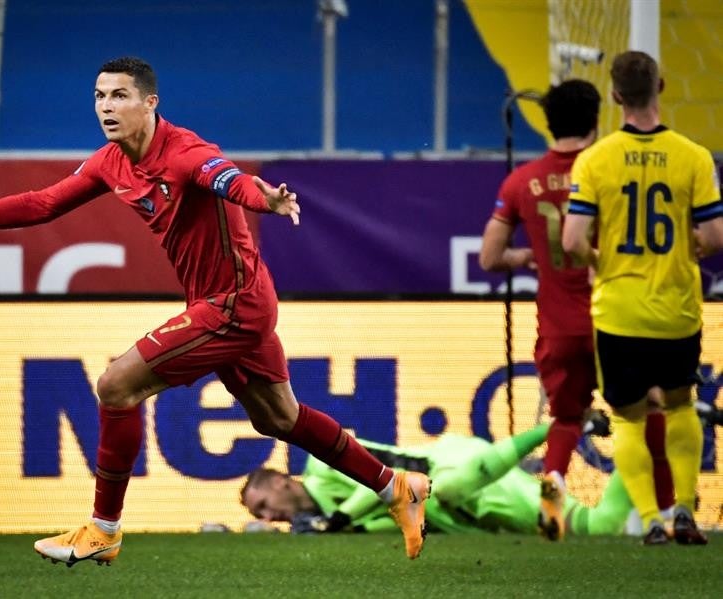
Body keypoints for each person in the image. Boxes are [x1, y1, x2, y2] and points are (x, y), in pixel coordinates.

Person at [0, 56, 431, 565]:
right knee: (279, 418)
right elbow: (44, 203)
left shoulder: (185, 152)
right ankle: (395, 485)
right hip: (226, 301)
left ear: (150, 102)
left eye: (120, 95)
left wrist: (263, 200)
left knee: (115, 385)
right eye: (100, 96)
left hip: (234, 304)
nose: (107, 106)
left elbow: (229, 179)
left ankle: (102, 531)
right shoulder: (110, 162)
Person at [480, 79, 676, 542]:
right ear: (596, 119)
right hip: (617, 319)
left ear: (547, 122)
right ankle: (665, 512)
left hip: (557, 327)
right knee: (647, 412)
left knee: (567, 419)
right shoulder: (612, 168)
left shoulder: (520, 180)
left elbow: (489, 257)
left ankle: (555, 484)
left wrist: (524, 257)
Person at [562, 50, 723, 546]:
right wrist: (684, 251)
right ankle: (684, 510)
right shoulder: (693, 155)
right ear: (663, 86)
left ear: (614, 96)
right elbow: (714, 236)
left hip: (619, 311)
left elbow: (570, 242)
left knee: (629, 417)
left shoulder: (595, 160)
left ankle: (651, 520)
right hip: (676, 309)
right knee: (679, 407)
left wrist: (602, 259)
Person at [241, 421, 636, 537]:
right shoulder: (329, 522)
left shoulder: (323, 463)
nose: (268, 515)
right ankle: (651, 449)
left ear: (280, 482)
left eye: (263, 505)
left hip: (450, 468)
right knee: (596, 528)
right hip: (467, 512)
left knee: (445, 489)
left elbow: (390, 483)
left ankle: (562, 425)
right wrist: (339, 526)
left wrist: (338, 521)